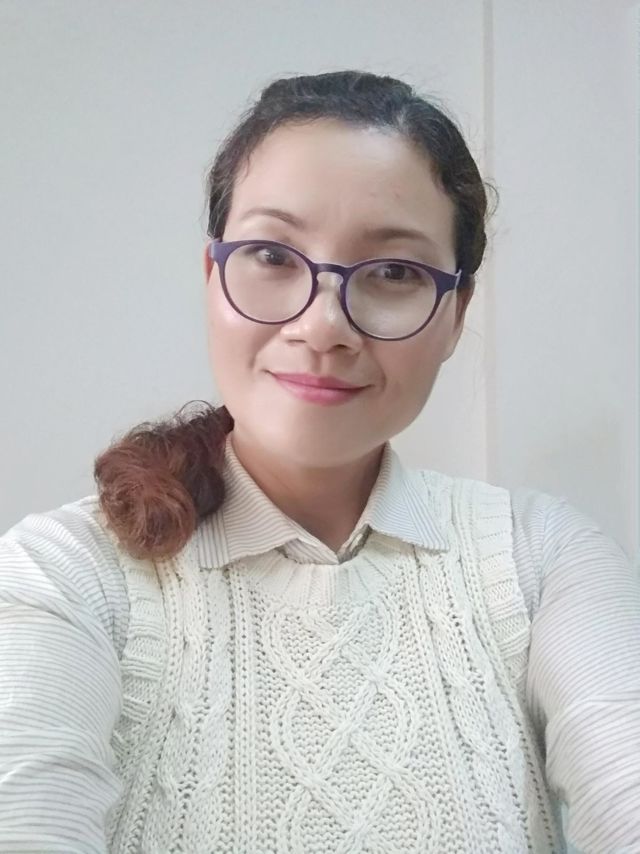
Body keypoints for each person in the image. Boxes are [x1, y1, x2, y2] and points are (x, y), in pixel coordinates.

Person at [0, 70, 638, 854]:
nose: (324, 324)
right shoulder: (64, 576)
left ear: (455, 314)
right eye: (272, 255)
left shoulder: (541, 558)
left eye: (395, 272)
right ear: (213, 279)